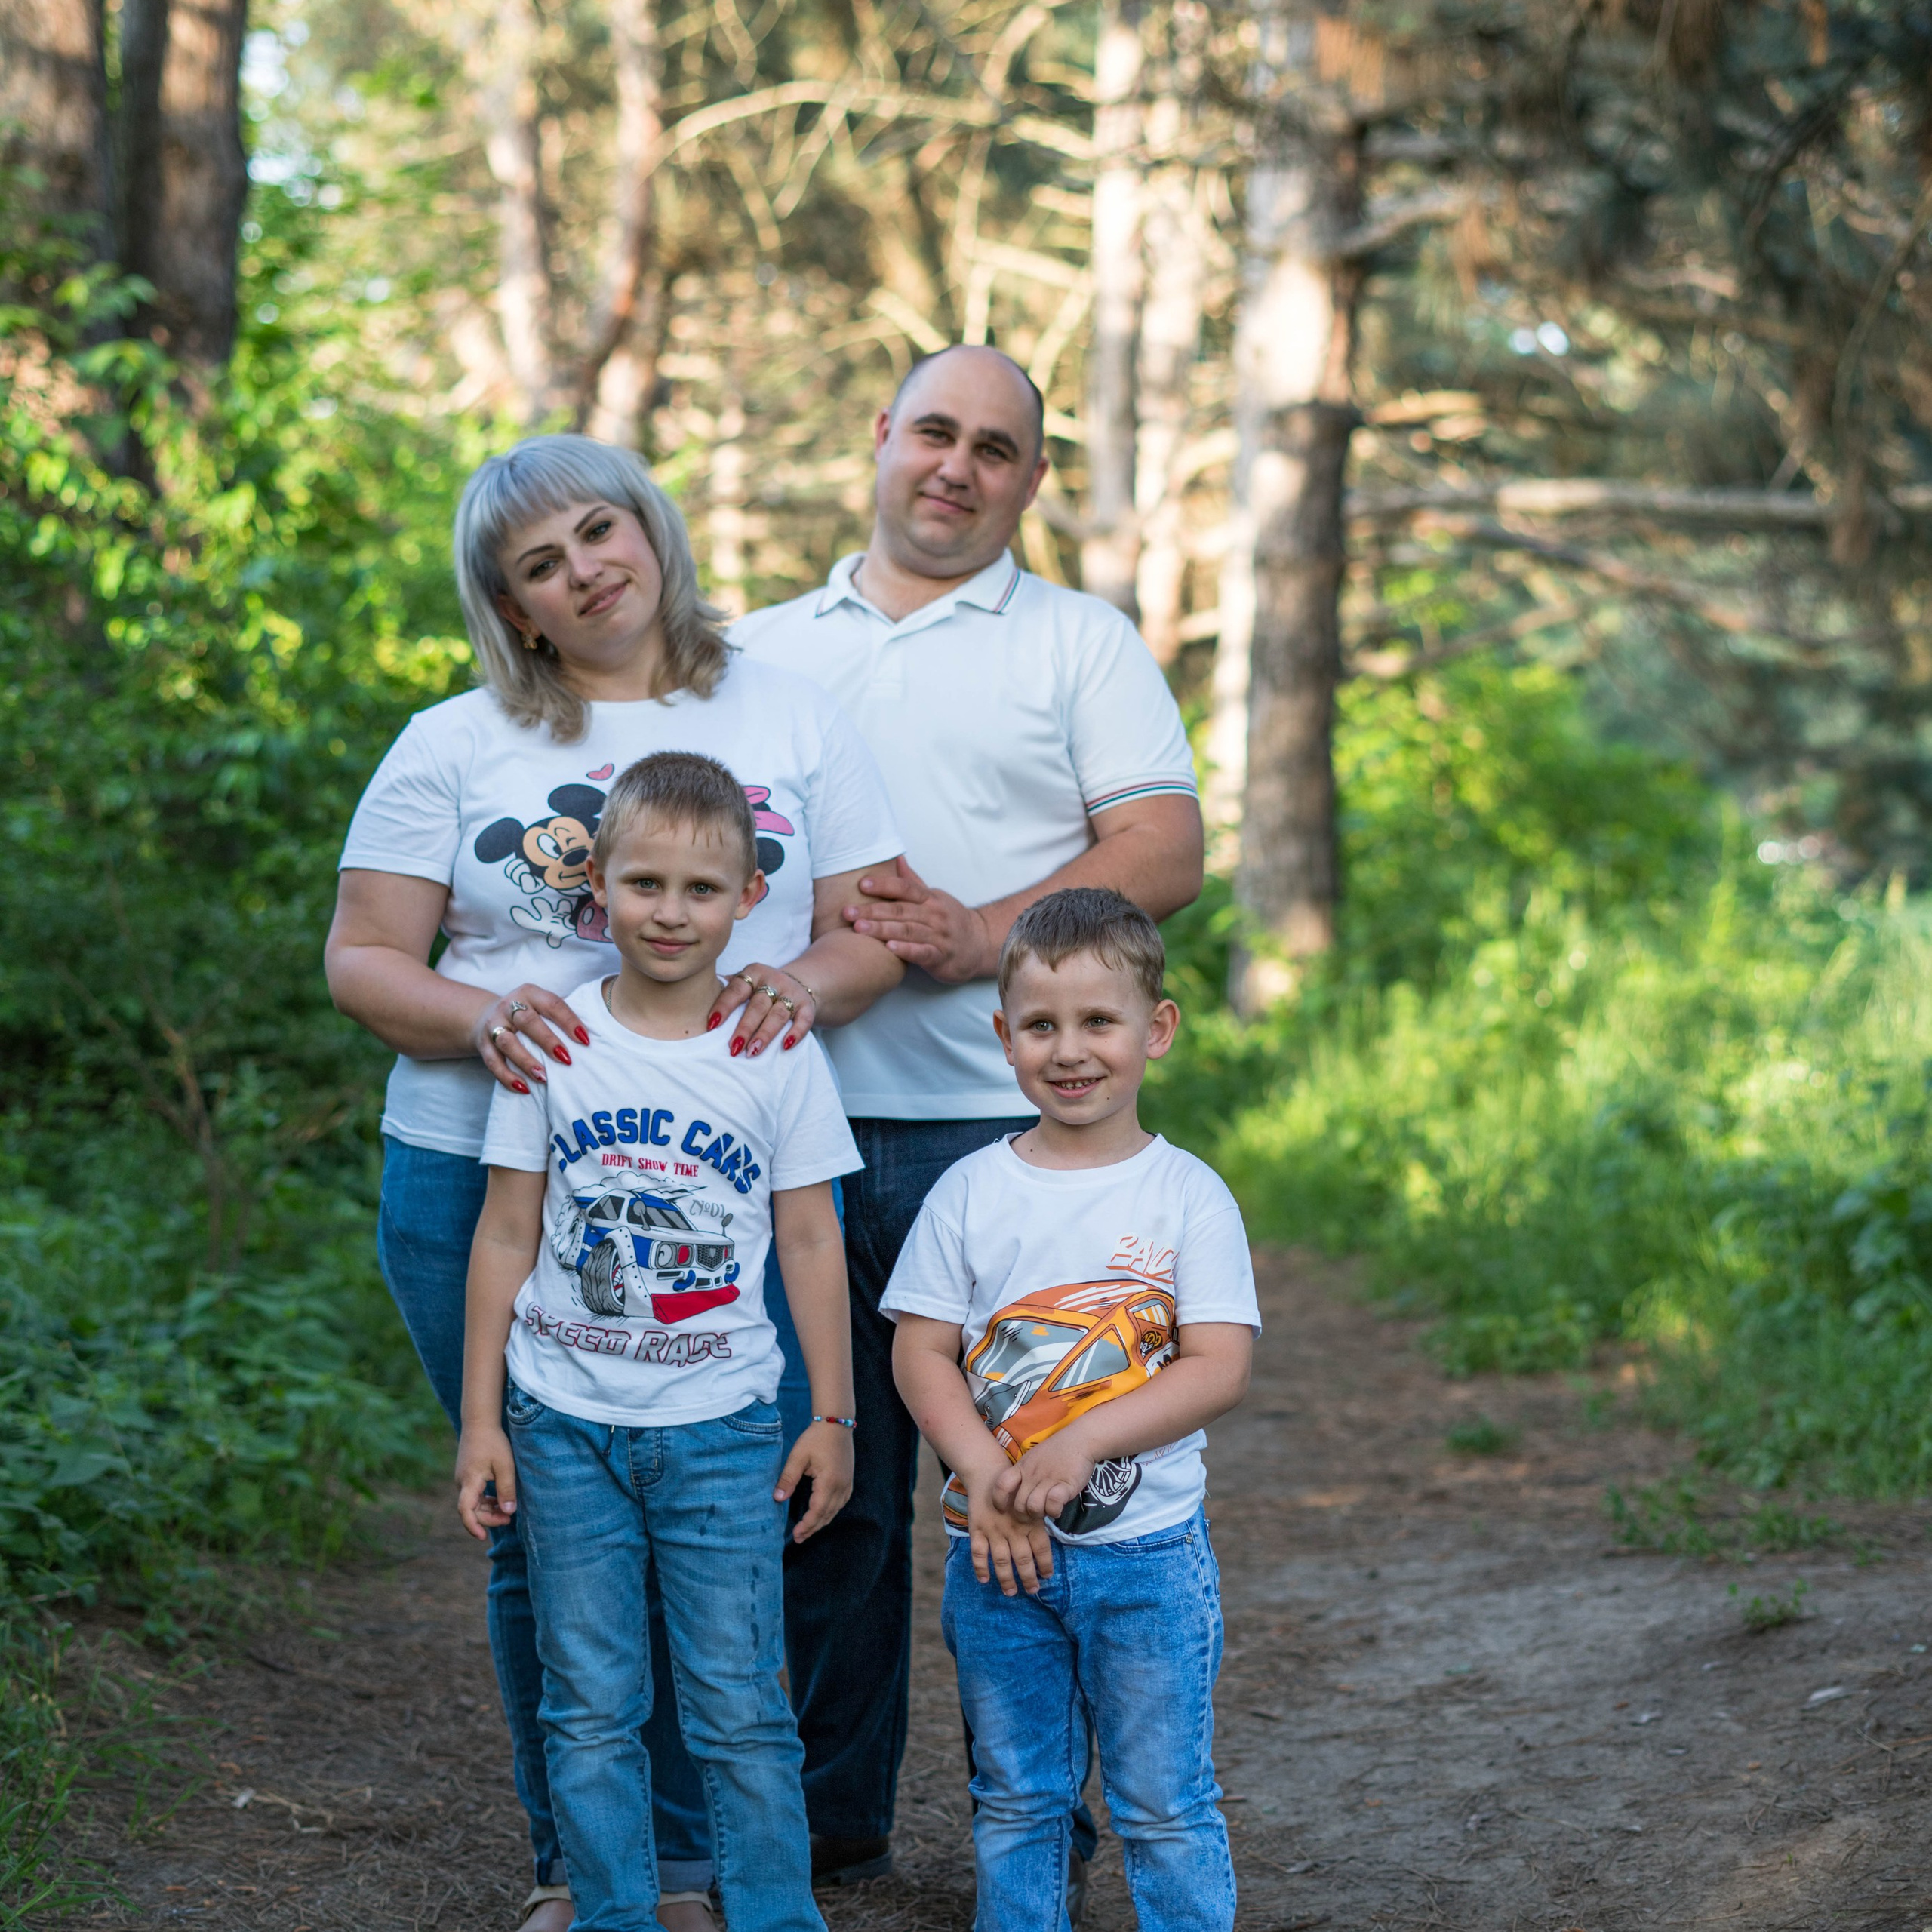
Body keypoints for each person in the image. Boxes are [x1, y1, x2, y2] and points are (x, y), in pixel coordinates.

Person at [324, 435, 903, 1931]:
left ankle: (716, 1863)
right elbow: (362, 956)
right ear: (514, 609)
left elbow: (866, 924)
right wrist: (481, 1016)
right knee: (546, 1516)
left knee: (724, 1510)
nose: (586, 565)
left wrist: (804, 984)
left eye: (600, 527)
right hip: (487, 1167)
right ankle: (588, 1870)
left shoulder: (786, 709)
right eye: (540, 561)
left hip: (717, 1171)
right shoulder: (450, 741)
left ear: (648, 528)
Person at [733, 345, 1204, 1890]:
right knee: (820, 1488)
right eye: (932, 431)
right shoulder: (749, 649)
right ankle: (823, 1825)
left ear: (1029, 479)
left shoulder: (1078, 640)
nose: (956, 464)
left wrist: (981, 934)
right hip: (782, 1128)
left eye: (995, 447)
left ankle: (1037, 1825)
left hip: (1002, 1138)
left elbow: (1163, 843)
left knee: (1036, 1481)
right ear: (877, 437)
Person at [457, 751, 858, 1932]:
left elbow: (812, 1243)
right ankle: (616, 1914)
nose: (670, 913)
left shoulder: (777, 1048)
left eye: (700, 889)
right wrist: (483, 1419)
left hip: (723, 1427)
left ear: (746, 897)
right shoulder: (553, 1042)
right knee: (588, 1701)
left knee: (738, 1697)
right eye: (644, 885)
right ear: (599, 892)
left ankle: (777, 1913)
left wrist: (831, 1418)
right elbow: (505, 1233)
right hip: (563, 1421)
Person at [885, 887, 1257, 1932]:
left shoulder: (1187, 1196)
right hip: (997, 1560)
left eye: (1100, 1021)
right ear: (1004, 1037)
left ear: (1157, 1029)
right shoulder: (968, 1192)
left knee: (1164, 1804)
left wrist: (1083, 1437)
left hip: (1145, 1561)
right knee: (1017, 1800)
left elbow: (1217, 1366)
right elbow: (923, 1352)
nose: (1071, 1050)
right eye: (1042, 1026)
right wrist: (984, 1480)